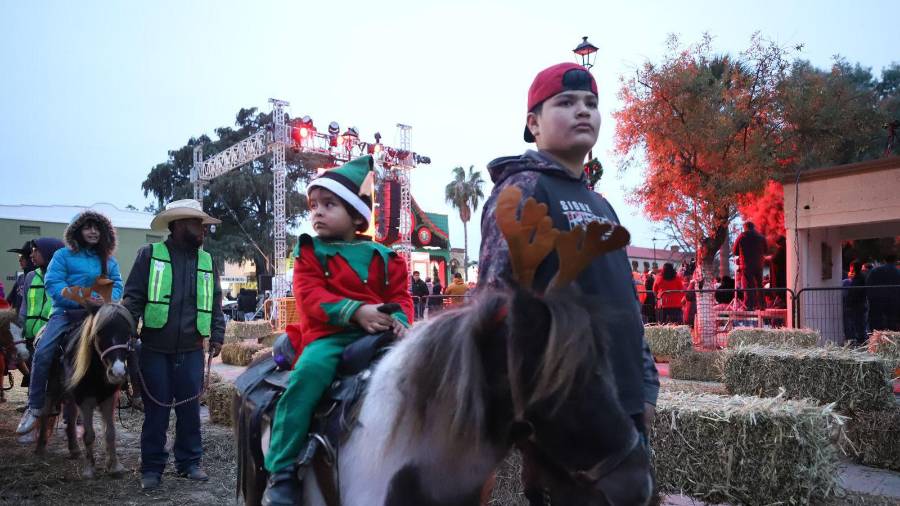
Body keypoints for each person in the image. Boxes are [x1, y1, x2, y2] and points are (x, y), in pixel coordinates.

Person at [476, 62, 659, 504]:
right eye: (566, 102)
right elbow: (497, 307)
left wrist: (647, 382)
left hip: (625, 406)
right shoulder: (522, 191)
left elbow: (626, 303)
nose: (583, 111)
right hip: (570, 418)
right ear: (533, 123)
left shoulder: (602, 204)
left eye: (591, 104)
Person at [262, 156, 413, 505]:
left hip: (381, 335)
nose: (317, 212)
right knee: (307, 378)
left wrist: (402, 323)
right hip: (329, 336)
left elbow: (400, 297)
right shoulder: (309, 252)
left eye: (329, 204)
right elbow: (310, 297)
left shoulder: (386, 257)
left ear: (357, 214)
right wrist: (355, 311)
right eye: (314, 205)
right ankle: (282, 472)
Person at [122, 199, 225, 489]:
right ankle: (152, 468)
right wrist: (128, 331)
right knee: (157, 412)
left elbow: (216, 303)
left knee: (190, 411)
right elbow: (132, 298)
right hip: (154, 348)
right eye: (198, 223)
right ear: (179, 225)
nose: (203, 230)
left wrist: (217, 334)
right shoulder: (149, 255)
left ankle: (189, 463)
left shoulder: (208, 261)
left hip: (193, 349)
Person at [16, 210, 123, 435]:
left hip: (97, 315)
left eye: (97, 227)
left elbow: (117, 286)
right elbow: (53, 282)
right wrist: (82, 297)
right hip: (64, 314)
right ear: (77, 231)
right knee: (44, 352)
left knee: (128, 344)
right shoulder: (62, 256)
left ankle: (132, 391)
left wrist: (103, 299)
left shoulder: (107, 260)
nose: (93, 231)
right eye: (88, 227)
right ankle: (35, 406)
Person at [16, 238, 65, 384]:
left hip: (55, 338)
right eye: (32, 251)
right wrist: (17, 332)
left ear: (50, 253)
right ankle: (33, 405)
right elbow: (24, 307)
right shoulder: (30, 276)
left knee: (55, 378)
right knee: (34, 375)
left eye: (36, 251)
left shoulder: (64, 277)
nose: (31, 255)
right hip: (32, 339)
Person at [732, 222, 767, 310]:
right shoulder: (761, 237)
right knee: (760, 284)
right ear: (753, 227)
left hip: (746, 265)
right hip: (759, 264)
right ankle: (762, 305)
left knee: (748, 285)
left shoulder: (742, 236)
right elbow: (766, 250)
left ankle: (750, 305)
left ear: (745, 228)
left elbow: (735, 251)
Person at [866, 253, 900, 331]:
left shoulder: (875, 271)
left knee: (876, 322)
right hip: (894, 301)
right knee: (892, 322)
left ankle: (876, 338)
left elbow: (868, 284)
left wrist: (871, 297)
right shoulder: (897, 272)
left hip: (877, 300)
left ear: (884, 260)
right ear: (895, 261)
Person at [6, 241, 37, 313]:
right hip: (17, 321)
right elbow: (9, 301)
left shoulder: (39, 279)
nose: (19, 260)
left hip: (31, 321)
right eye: (19, 256)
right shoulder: (20, 278)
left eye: (22, 257)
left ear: (29, 259)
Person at [842, 260, 868, 345]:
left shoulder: (859, 278)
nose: (851, 269)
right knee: (859, 322)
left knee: (859, 322)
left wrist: (850, 300)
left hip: (858, 303)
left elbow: (855, 291)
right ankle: (860, 339)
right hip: (859, 303)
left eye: (852, 267)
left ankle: (861, 340)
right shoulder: (859, 277)